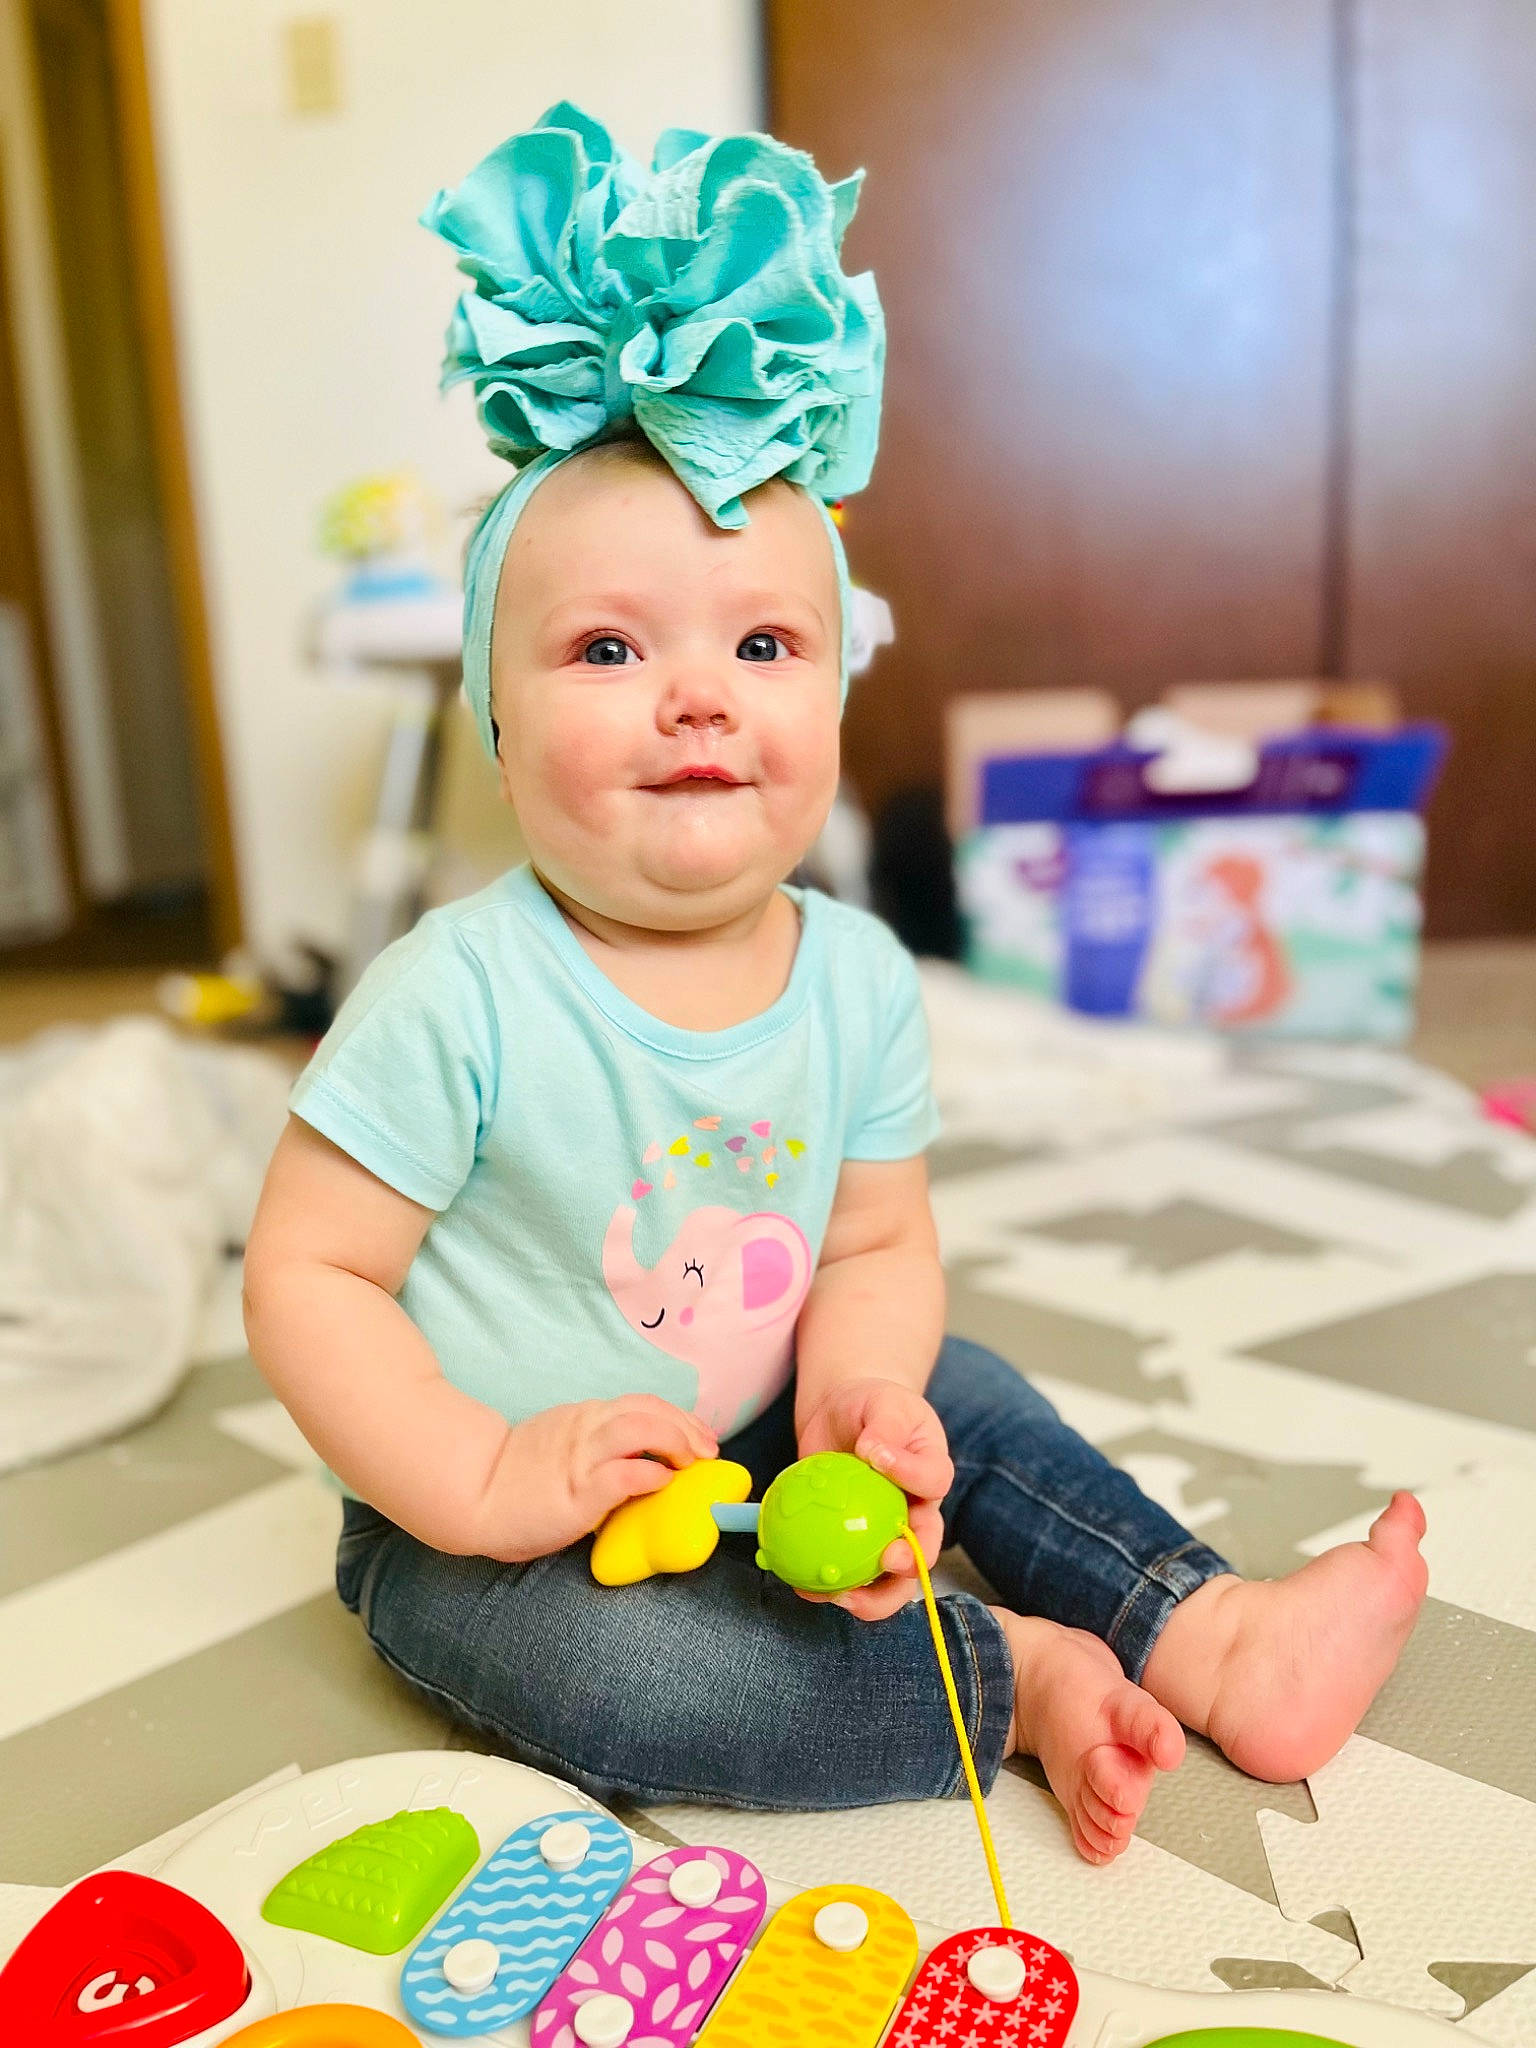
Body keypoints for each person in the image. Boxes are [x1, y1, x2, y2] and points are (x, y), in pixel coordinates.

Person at [242, 105, 1427, 1863]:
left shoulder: (859, 972)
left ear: (833, 707)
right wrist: (482, 1481)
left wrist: (861, 1393)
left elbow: (871, 1245)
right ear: (497, 725)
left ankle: (1205, 1626)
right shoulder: (456, 997)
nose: (699, 694)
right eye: (610, 647)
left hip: (769, 1397)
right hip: (501, 1507)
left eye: (765, 644)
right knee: (598, 1674)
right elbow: (312, 1268)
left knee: (969, 1385)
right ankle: (1002, 1680)